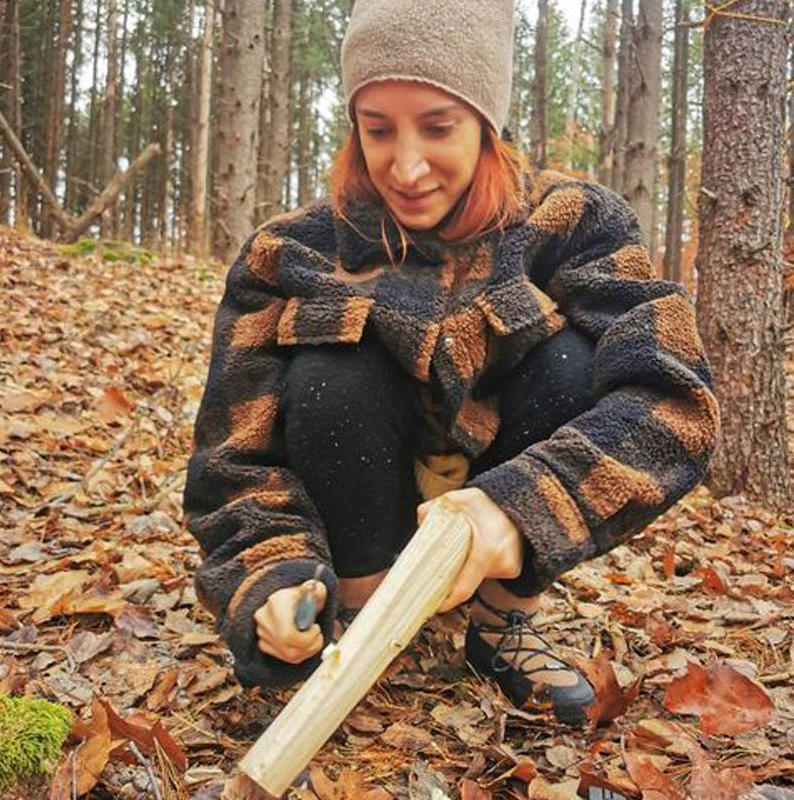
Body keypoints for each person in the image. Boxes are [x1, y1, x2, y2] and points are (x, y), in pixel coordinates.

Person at [183, 0, 719, 728]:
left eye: (438, 127)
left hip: (494, 527)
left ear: (487, 122)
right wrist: (269, 577)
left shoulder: (574, 222)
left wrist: (519, 506)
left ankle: (502, 622)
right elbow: (231, 457)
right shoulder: (290, 253)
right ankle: (359, 616)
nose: (405, 167)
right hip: (355, 520)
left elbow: (674, 400)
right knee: (330, 376)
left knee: (571, 364)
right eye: (378, 130)